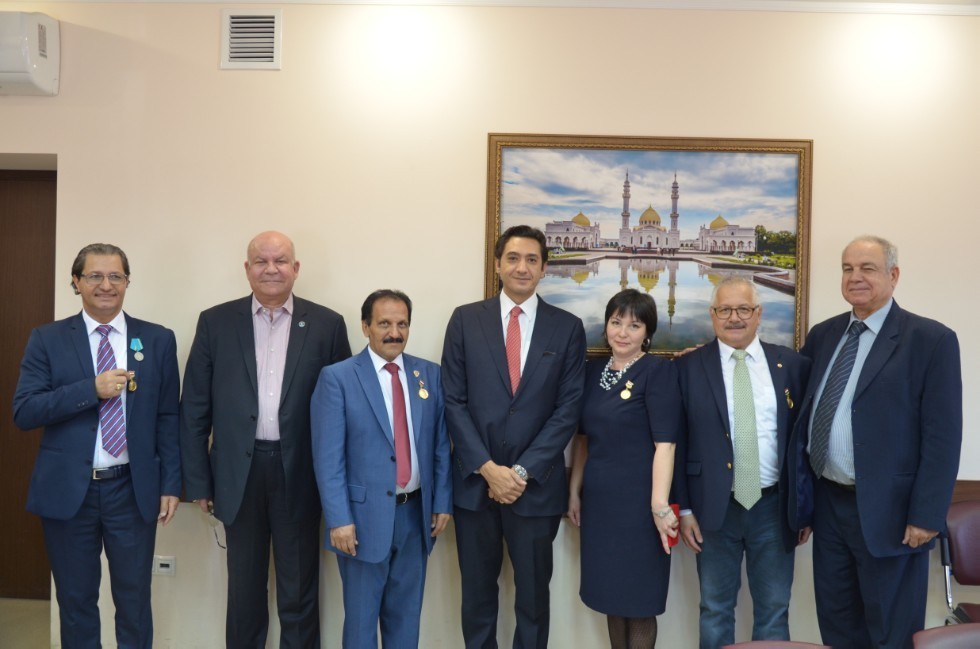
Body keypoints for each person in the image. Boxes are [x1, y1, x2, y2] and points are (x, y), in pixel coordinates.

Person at [180, 231, 351, 648]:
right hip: (238, 473)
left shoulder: (327, 324)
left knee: (299, 591)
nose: (270, 269)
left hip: (301, 473)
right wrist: (199, 483)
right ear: (246, 268)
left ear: (296, 268)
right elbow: (194, 410)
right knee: (244, 591)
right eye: (261, 261)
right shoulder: (215, 322)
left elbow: (346, 412)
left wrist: (339, 489)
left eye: (280, 261)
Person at [789, 235, 961, 649]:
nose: (855, 277)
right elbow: (799, 409)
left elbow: (943, 436)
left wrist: (927, 516)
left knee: (892, 631)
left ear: (893, 275)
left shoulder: (930, 340)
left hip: (894, 516)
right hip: (829, 508)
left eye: (867, 268)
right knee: (837, 623)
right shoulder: (824, 335)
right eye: (848, 268)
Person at [13, 243, 180, 648]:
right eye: (94, 276)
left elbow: (168, 416)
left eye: (115, 277)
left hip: (131, 489)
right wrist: (91, 389)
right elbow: (25, 411)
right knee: (76, 601)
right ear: (76, 282)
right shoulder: (47, 339)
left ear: (126, 282)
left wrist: (171, 482)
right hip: (70, 492)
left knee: (135, 601)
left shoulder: (156, 339)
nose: (106, 285)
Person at [442, 224, 586, 649]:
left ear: (544, 269)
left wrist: (520, 472)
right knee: (478, 598)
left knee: (534, 601)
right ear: (498, 264)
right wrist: (489, 470)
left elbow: (567, 410)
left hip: (536, 488)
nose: (522, 267)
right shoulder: (466, 319)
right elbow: (453, 401)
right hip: (475, 487)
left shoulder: (567, 328)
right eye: (513, 258)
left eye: (532, 260)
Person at [673, 276, 811, 648]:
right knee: (715, 608)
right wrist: (684, 509)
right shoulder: (686, 368)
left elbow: (803, 443)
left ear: (758, 313)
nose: (734, 318)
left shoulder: (792, 366)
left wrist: (803, 508)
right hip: (713, 509)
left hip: (774, 507)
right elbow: (678, 443)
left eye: (744, 309)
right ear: (712, 314)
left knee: (774, 607)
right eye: (725, 310)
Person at [311, 289, 452, 649]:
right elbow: (328, 458)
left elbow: (439, 446)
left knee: (406, 620)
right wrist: (338, 519)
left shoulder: (428, 375)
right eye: (385, 323)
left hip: (415, 517)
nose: (394, 332)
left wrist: (442, 503)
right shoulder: (338, 378)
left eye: (402, 324)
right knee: (360, 625)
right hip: (360, 521)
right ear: (365, 327)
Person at [567, 289, 681, 649]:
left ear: (647, 333)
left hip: (642, 506)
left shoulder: (658, 371)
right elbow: (583, 440)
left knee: (640, 601)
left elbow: (666, 443)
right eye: (616, 322)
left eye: (634, 325)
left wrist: (659, 506)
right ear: (606, 326)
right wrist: (574, 491)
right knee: (612, 599)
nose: (623, 332)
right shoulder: (593, 371)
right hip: (601, 502)